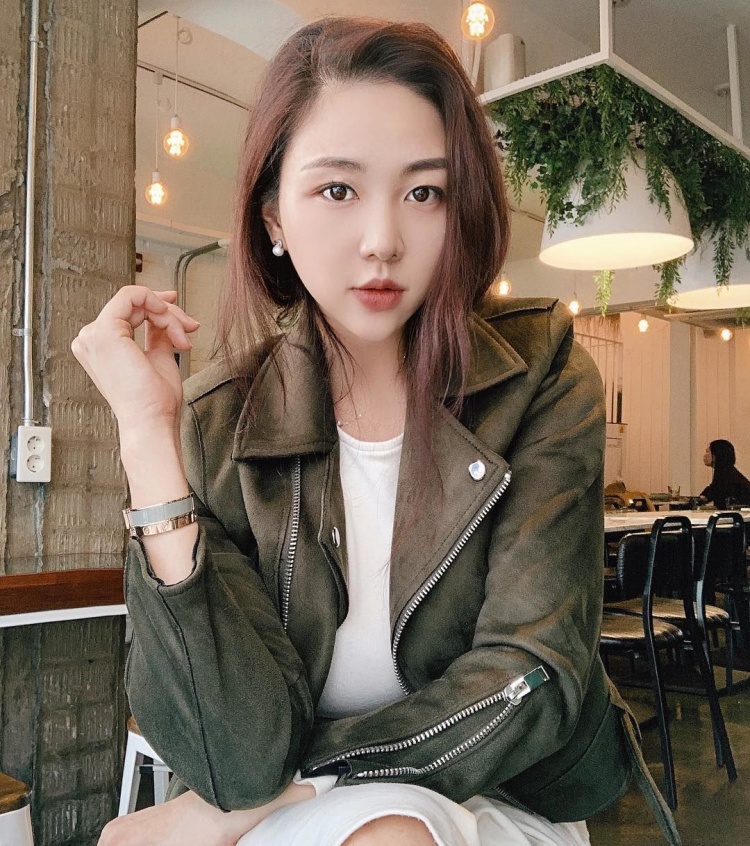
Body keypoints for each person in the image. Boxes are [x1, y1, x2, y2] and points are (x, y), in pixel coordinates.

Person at [73, 17, 678, 846]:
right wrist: (147, 436)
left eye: (424, 192)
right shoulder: (222, 419)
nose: (383, 241)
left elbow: (531, 676)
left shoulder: (539, 373)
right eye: (338, 190)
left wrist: (277, 797)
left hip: (505, 784)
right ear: (273, 217)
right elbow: (236, 755)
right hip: (297, 802)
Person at [700, 439, 750, 508]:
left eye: (707, 452)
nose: (704, 456)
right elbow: (712, 491)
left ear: (715, 455)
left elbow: (719, 499)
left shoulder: (726, 476)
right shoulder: (728, 472)